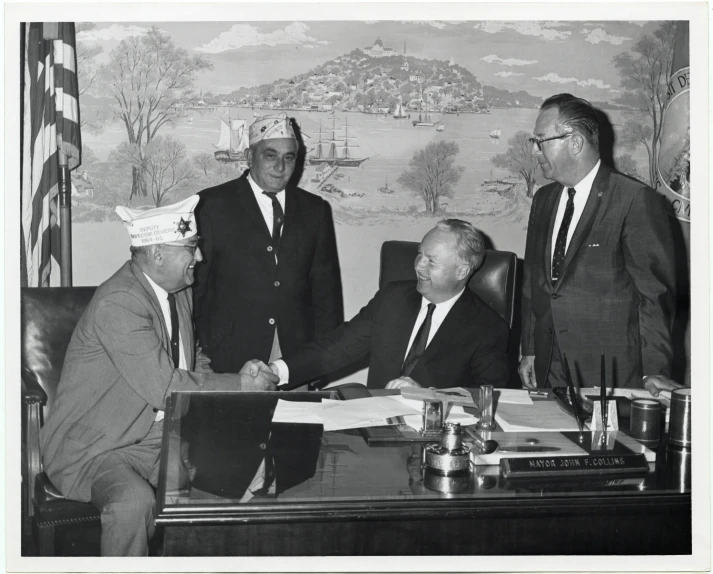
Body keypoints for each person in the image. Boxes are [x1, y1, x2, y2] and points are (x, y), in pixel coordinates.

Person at [39, 196, 278, 556]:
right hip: (98, 448)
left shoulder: (178, 291)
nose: (199, 258)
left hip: (161, 436)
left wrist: (234, 378)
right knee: (131, 503)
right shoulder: (119, 302)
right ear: (158, 255)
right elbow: (165, 387)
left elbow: (189, 357)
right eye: (191, 248)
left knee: (250, 468)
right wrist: (243, 386)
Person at [519, 93, 676, 390]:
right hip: (548, 368)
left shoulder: (634, 201)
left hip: (610, 375)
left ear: (575, 142)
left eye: (541, 141)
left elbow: (654, 297)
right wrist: (529, 349)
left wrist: (653, 370)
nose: (535, 152)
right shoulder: (543, 199)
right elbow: (532, 282)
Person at [270, 219, 509, 390]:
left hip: (437, 441)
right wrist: (276, 371)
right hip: (376, 432)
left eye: (431, 261)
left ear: (462, 271)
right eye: (419, 254)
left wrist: (432, 399)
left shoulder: (487, 328)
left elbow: (490, 398)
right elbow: (336, 348)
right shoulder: (392, 298)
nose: (418, 266)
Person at [193, 112, 343, 374]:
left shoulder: (314, 210)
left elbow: (326, 293)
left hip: (296, 356)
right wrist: (195, 353)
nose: (280, 167)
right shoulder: (211, 205)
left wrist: (324, 360)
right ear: (251, 157)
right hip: (228, 356)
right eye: (270, 156)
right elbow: (196, 288)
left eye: (289, 158)